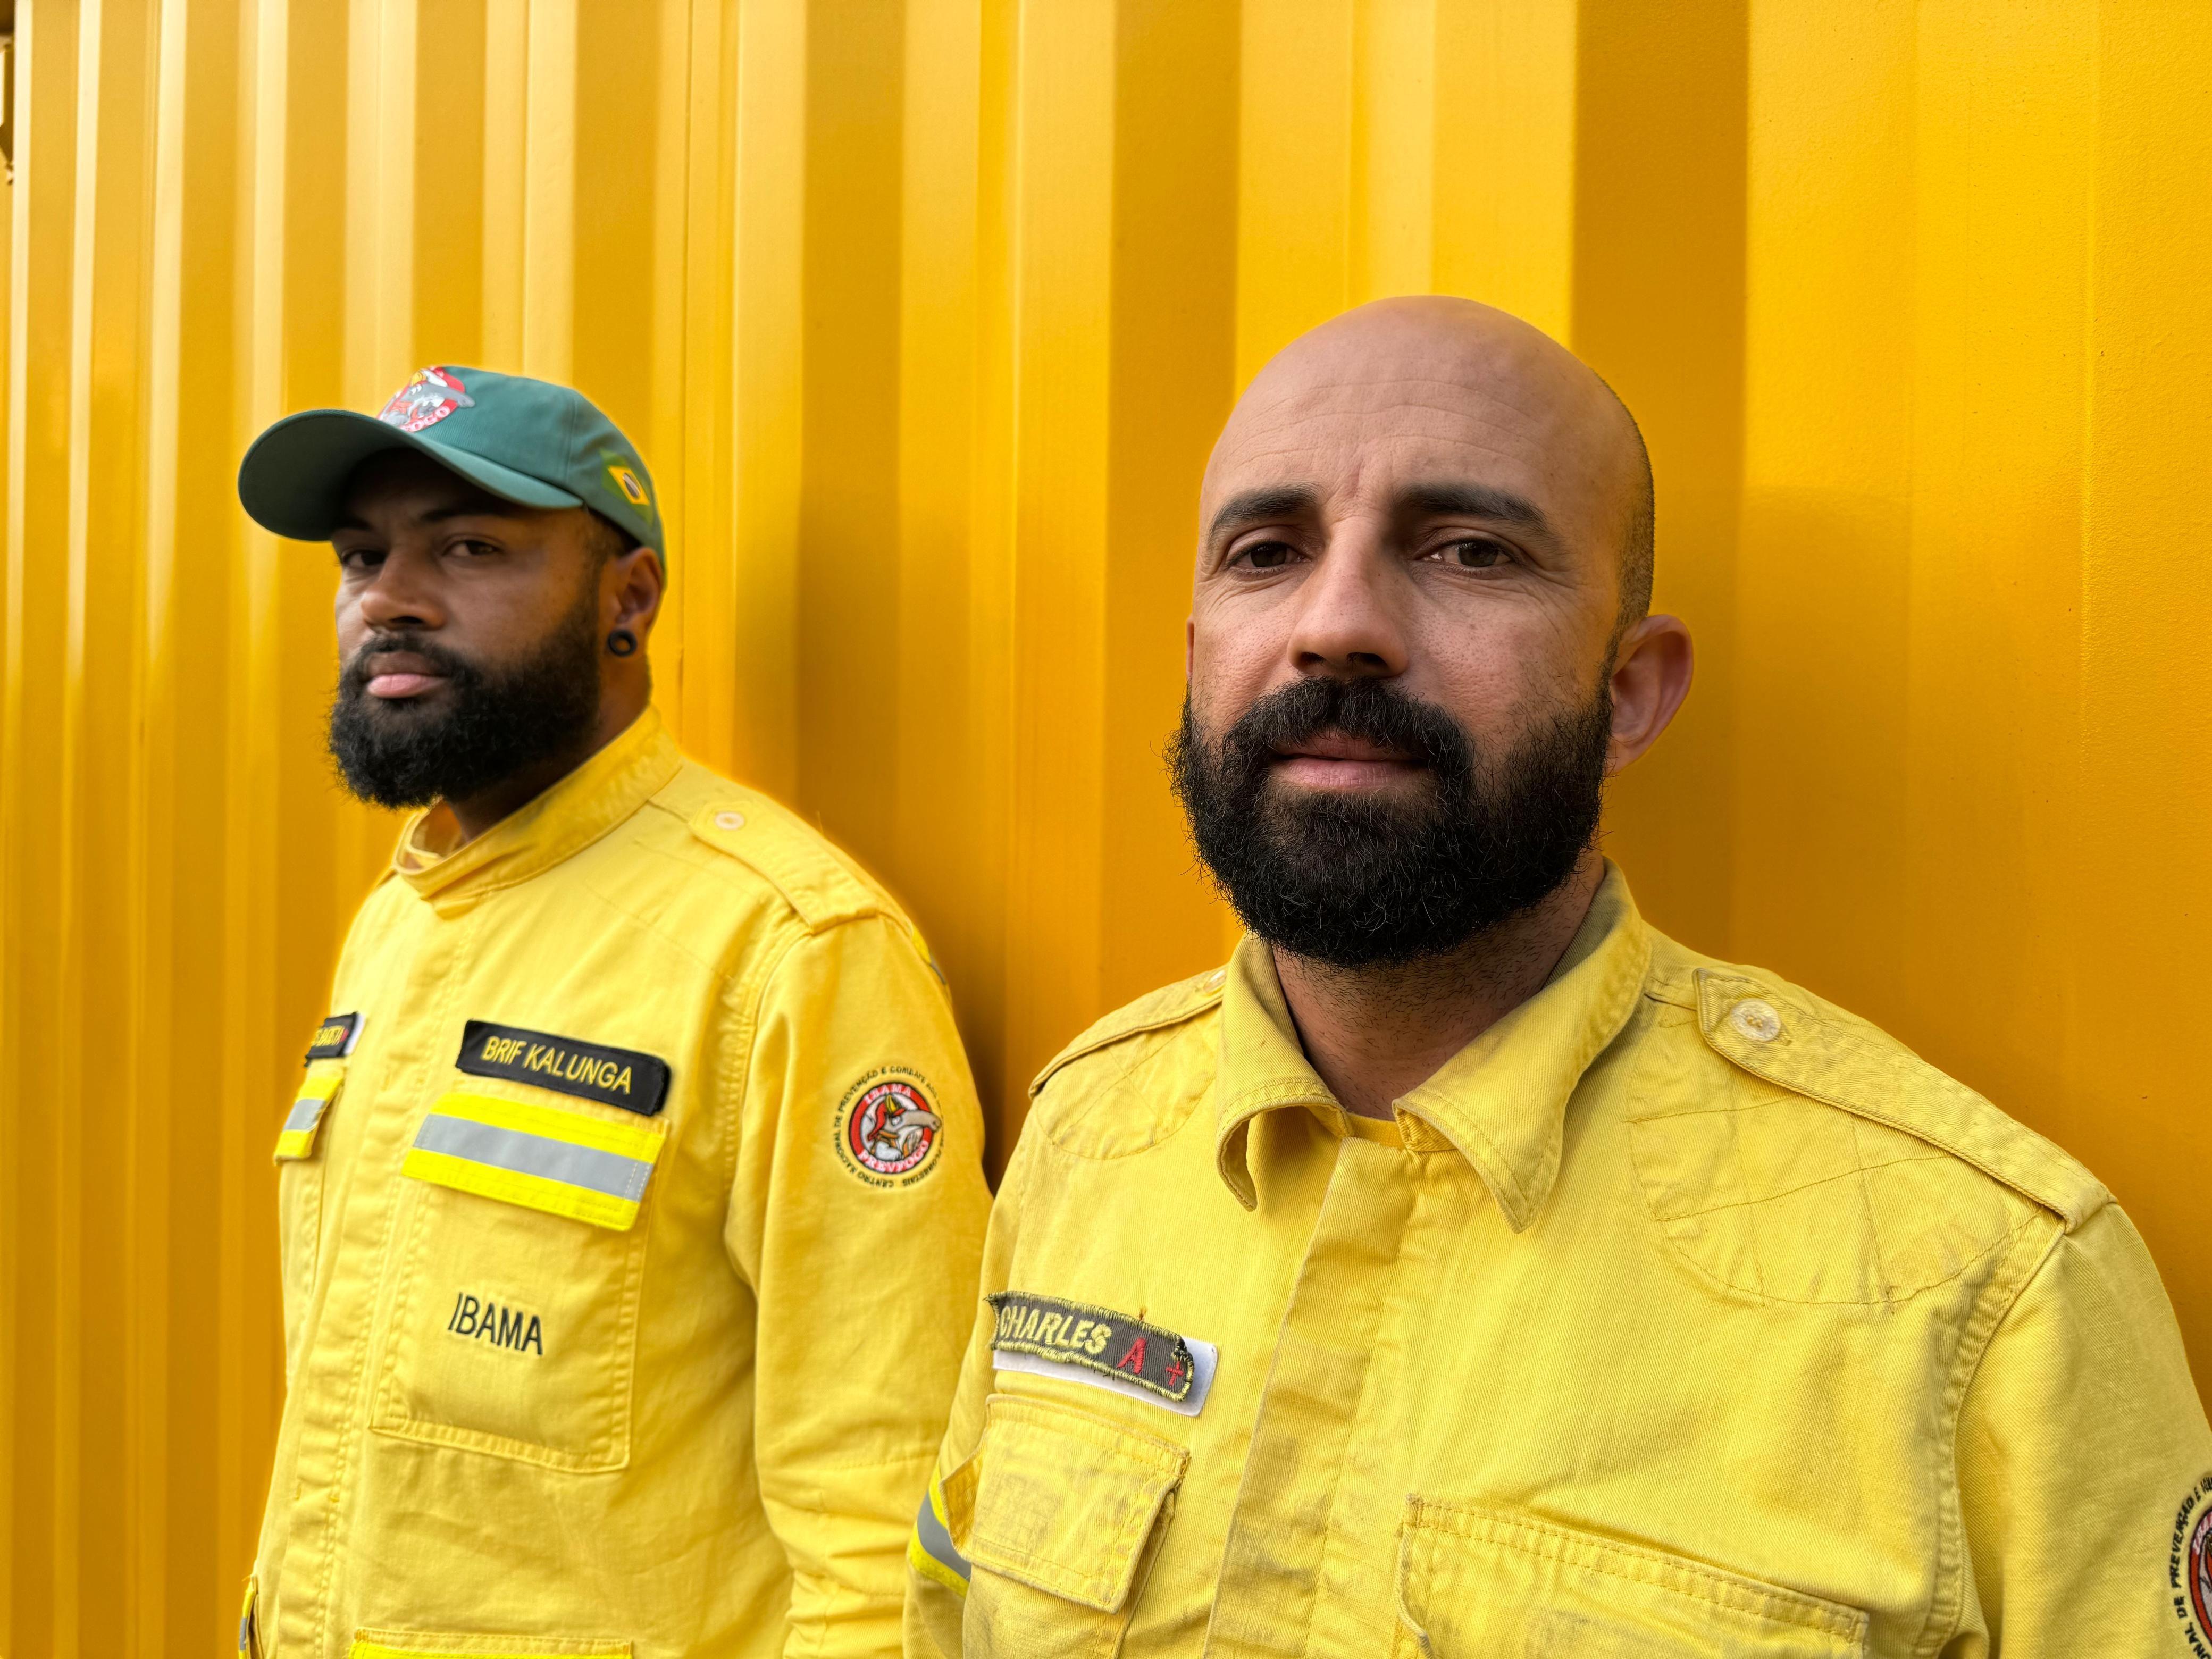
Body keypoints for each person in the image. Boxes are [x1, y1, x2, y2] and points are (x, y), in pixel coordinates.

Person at [903, 299, 2212, 1656]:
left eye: (1470, 550)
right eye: (1266, 552)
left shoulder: (1984, 1293)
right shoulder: (1087, 1134)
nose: (1337, 624)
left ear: (1631, 692)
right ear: (1196, 664)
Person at [233, 366, 991, 1659]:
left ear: (626, 596)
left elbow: (882, 1522)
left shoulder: (789, 948)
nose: (390, 601)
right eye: (363, 557)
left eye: (469, 548)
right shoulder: (402, 916)